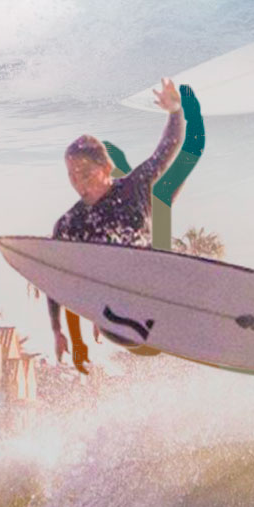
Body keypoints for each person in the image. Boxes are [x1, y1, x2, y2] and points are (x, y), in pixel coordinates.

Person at [47, 78, 185, 373]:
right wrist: (59, 331)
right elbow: (55, 278)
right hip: (115, 316)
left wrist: (176, 111)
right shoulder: (70, 223)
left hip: (154, 291)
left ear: (106, 167)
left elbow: (168, 148)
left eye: (84, 171)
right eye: (71, 174)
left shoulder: (134, 186)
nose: (78, 180)